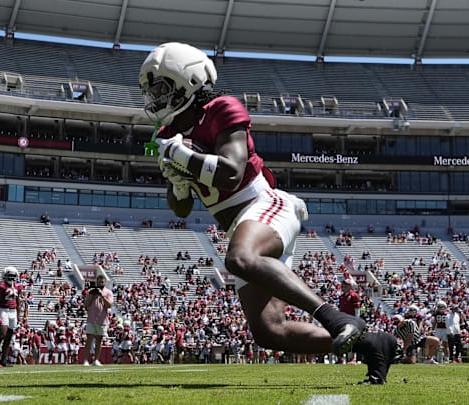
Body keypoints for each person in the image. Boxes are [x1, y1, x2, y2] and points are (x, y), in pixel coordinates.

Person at [141, 42, 395, 382]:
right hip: (241, 226)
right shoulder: (166, 134)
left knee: (240, 258)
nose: (154, 99)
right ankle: (373, 344)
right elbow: (182, 208)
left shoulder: (221, 108)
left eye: (160, 89)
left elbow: (232, 170)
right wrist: (178, 183)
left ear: (186, 82)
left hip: (264, 205)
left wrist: (185, 159)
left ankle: (336, 318)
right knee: (268, 331)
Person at [0, 266, 22, 366]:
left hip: (13, 311)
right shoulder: (2, 286)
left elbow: (18, 302)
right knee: (2, 335)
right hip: (3, 310)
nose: (11, 278)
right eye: (9, 276)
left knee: (9, 337)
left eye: (13, 276)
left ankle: (4, 360)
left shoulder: (18, 286)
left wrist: (18, 316)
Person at [83, 275, 113, 366]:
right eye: (99, 282)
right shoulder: (91, 292)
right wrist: (92, 294)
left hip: (102, 320)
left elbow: (109, 305)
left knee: (99, 340)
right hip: (91, 318)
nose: (100, 284)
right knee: (89, 340)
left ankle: (96, 360)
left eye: (102, 282)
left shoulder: (108, 292)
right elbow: (86, 305)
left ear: (105, 282)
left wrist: (102, 296)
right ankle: (86, 360)